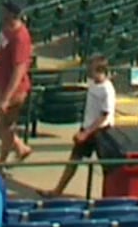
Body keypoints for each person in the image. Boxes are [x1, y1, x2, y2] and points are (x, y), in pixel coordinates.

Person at [44, 56, 116, 197]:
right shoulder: (93, 82)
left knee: (107, 166)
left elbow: (104, 116)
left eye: (91, 69)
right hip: (88, 126)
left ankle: (108, 195)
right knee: (74, 158)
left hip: (101, 130)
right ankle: (57, 191)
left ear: (99, 71)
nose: (88, 71)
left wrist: (86, 133)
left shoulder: (107, 90)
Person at [0, 1, 34, 167]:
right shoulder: (5, 30)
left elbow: (19, 70)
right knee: (0, 123)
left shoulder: (20, 37)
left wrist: (6, 98)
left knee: (6, 125)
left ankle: (2, 162)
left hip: (13, 91)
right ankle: (21, 148)